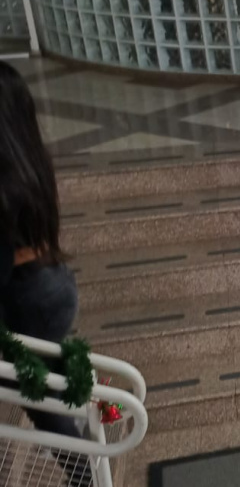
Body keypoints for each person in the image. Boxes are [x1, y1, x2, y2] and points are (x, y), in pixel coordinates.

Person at [0, 60, 90, 486]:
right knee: (49, 386)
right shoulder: (29, 161)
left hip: (30, 298)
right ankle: (88, 456)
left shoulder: (2, 184)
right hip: (55, 283)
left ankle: (85, 477)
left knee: (37, 399)